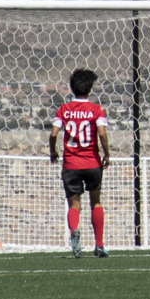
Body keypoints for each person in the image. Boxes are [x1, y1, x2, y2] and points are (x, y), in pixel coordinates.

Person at [49, 68, 111, 258]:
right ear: (89, 89)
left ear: (71, 88)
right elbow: (101, 133)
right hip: (92, 163)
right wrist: (107, 154)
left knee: (74, 205)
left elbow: (53, 134)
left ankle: (75, 232)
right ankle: (99, 245)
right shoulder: (96, 109)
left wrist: (53, 151)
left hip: (71, 164)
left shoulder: (63, 109)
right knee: (96, 203)